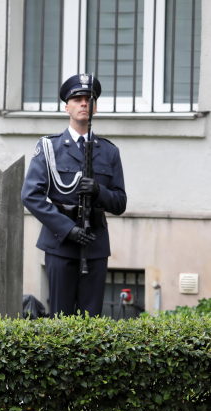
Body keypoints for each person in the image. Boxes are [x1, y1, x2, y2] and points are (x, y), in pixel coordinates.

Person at [21, 74, 127, 317]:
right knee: (61, 318)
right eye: (77, 99)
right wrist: (68, 229)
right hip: (61, 243)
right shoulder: (50, 147)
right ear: (66, 106)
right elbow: (31, 195)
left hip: (95, 242)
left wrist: (99, 191)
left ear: (95, 108)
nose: (84, 103)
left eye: (89, 99)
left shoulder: (110, 152)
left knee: (92, 320)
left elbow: (120, 202)